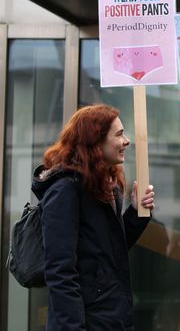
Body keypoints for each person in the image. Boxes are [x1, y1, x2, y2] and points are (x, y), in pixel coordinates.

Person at [33, 104, 155, 331]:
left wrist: (136, 213)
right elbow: (60, 273)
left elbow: (110, 253)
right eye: (119, 134)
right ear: (95, 142)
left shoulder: (105, 187)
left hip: (111, 318)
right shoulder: (65, 191)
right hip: (86, 322)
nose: (127, 141)